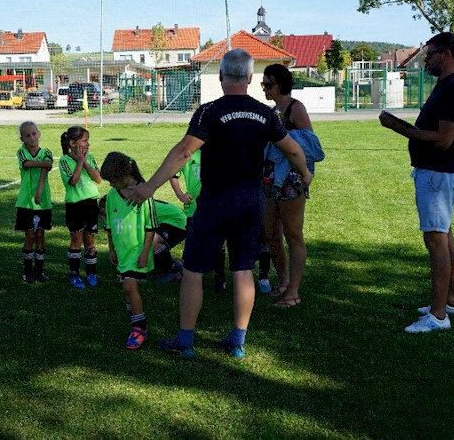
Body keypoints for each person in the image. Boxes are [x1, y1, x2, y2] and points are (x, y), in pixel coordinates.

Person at [128, 48, 312, 359]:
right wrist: (305, 174)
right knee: (242, 270)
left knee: (194, 271)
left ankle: (186, 342)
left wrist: (149, 187)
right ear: (251, 78)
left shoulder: (208, 111)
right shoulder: (266, 114)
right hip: (251, 202)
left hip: (215, 202)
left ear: (223, 76)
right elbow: (293, 149)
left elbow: (185, 152)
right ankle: (237, 341)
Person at [379, 31, 454, 333]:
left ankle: (437, 316)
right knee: (444, 236)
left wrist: (398, 126)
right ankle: (452, 301)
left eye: (430, 54)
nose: (426, 59)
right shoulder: (448, 84)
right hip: (437, 172)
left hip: (438, 172)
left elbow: (444, 140)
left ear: (446, 54)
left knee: (435, 240)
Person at [261, 63, 323, 308]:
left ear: (281, 85)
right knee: (271, 233)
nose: (264, 88)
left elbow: (309, 144)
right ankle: (283, 281)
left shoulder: (296, 109)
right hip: (270, 178)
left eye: (268, 84)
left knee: (293, 234)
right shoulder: (272, 110)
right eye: (263, 84)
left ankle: (293, 293)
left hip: (292, 180)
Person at [100, 152, 157, 349]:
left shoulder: (143, 194)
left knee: (129, 286)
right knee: (127, 288)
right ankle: (135, 316)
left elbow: (151, 227)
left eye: (113, 180)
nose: (110, 185)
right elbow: (108, 226)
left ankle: (139, 329)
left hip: (137, 250)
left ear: (125, 175)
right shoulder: (110, 198)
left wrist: (145, 252)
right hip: (122, 252)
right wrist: (111, 249)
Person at [169, 150, 228, 293]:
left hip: (215, 207)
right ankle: (195, 278)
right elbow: (172, 173)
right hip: (194, 208)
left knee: (217, 244)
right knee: (195, 244)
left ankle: (220, 278)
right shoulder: (188, 152)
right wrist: (180, 194)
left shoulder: (219, 150)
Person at [59, 126, 103, 289]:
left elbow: (98, 179)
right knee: (77, 241)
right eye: (84, 141)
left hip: (91, 203)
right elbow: (73, 181)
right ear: (72, 143)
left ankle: (91, 273)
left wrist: (84, 161)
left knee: (90, 240)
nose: (88, 144)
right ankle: (74, 275)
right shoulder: (64, 161)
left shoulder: (90, 158)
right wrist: (79, 163)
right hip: (75, 205)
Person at [15, 121, 54, 284]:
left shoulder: (46, 151)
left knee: (40, 236)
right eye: (27, 135)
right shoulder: (21, 152)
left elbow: (46, 170)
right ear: (22, 138)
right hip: (26, 201)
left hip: (43, 201)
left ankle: (39, 271)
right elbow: (27, 164)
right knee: (30, 235)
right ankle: (27, 272)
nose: (32, 137)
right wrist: (45, 164)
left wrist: (39, 191)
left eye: (34, 134)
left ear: (39, 133)